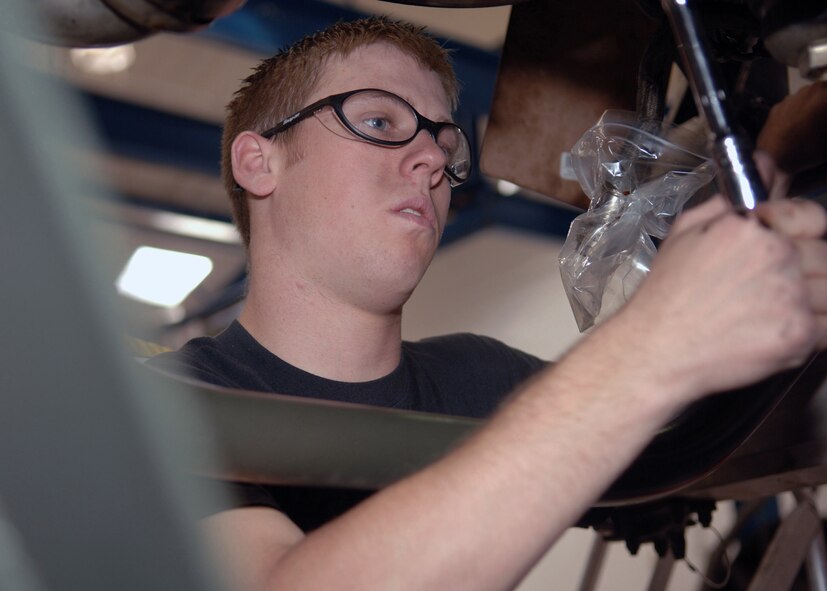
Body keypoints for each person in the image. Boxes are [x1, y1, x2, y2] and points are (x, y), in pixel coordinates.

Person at [148, 17, 827, 591]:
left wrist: (777, 171)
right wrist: (654, 344)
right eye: (381, 120)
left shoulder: (480, 378)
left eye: (445, 144)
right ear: (257, 162)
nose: (431, 159)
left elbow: (692, 435)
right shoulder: (165, 403)